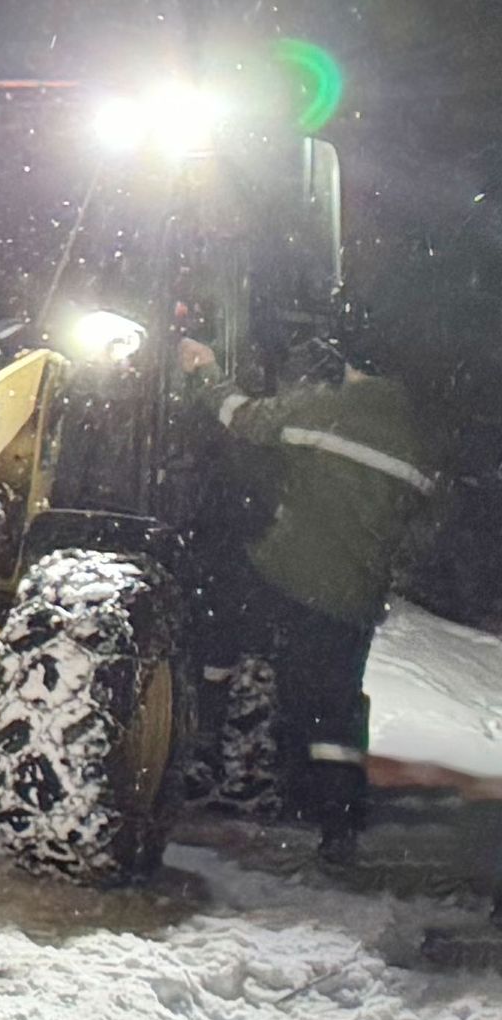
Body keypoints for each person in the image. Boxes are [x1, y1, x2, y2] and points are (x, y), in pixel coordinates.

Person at [179, 317, 435, 861]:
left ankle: (214, 750)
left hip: (289, 576)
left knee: (224, 620)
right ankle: (337, 820)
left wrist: (205, 373)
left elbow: (245, 419)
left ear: (348, 364)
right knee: (335, 707)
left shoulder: (324, 407)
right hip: (356, 600)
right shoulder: (420, 439)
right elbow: (423, 531)